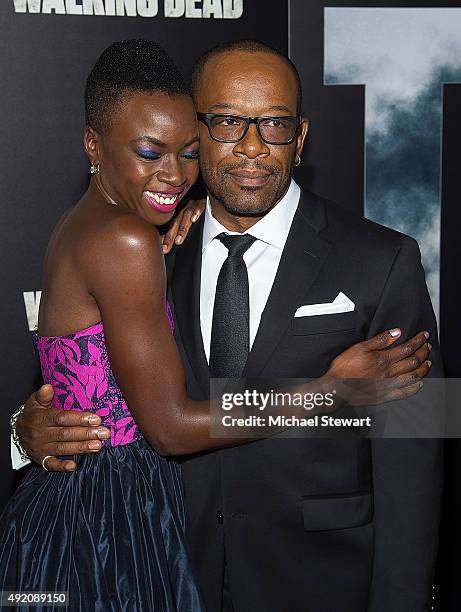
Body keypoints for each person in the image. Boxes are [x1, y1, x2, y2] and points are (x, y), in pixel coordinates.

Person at [12, 40, 439, 611]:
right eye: (229, 123)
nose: (253, 147)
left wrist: (404, 598)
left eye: (275, 125)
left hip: (322, 578)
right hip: (166, 565)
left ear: (302, 136)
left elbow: (417, 436)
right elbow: (102, 391)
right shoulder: (155, 249)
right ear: (200, 128)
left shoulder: (383, 259)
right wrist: (25, 432)